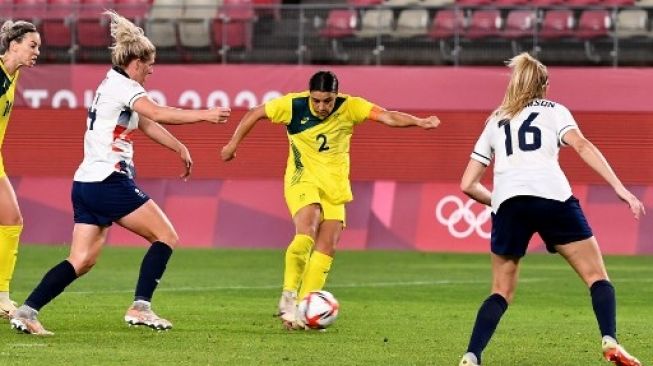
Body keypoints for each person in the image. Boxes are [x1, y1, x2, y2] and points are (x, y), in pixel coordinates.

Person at [9, 10, 230, 335]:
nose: (152, 70)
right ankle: (141, 307)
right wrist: (206, 115)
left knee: (81, 260)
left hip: (85, 183)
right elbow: (155, 112)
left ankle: (27, 312)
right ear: (136, 62)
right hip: (108, 182)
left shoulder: (110, 84)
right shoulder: (125, 86)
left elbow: (147, 122)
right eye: (150, 64)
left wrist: (178, 147)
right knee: (166, 236)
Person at [458, 53, 645, 366]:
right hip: (553, 197)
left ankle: (471, 356)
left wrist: (504, 200)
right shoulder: (556, 111)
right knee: (597, 276)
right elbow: (582, 145)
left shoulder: (495, 120)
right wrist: (620, 188)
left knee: (500, 292)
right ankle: (610, 339)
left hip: (509, 205)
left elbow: (467, 184)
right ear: (543, 86)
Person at [221, 70, 440, 329]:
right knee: (308, 228)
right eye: (317, 100)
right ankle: (288, 296)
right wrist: (233, 144)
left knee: (327, 246)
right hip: (301, 179)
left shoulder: (351, 107)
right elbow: (255, 112)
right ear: (309, 95)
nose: (322, 106)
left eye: (328, 100)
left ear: (336, 96)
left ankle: (302, 310)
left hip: (334, 187)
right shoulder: (293, 105)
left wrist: (419, 122)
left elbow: (388, 116)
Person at [0, 20, 40, 319]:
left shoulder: (11, 74)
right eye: (32, 45)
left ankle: (1, 296)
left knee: (12, 219)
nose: (37, 51)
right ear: (14, 45)